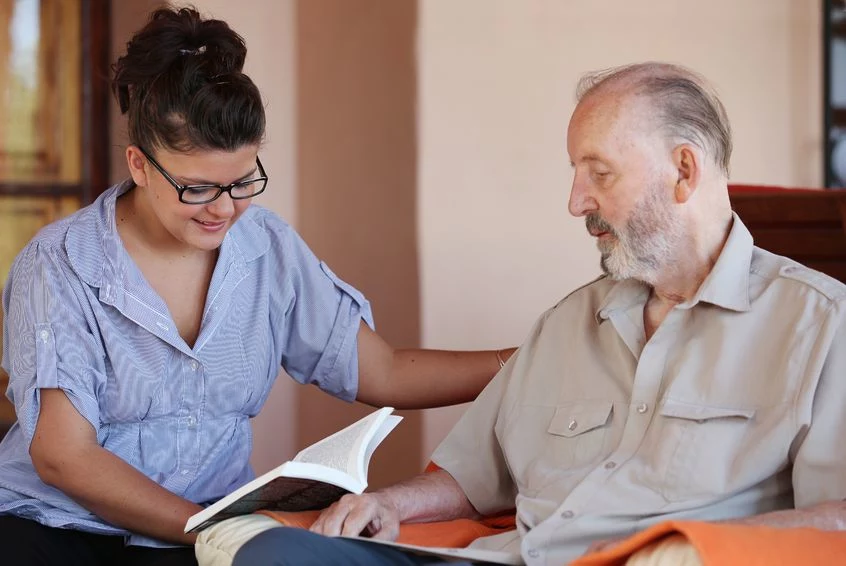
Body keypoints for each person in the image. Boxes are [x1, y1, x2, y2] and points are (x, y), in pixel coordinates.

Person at [230, 62, 846, 566]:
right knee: (274, 551)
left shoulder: (819, 328)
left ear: (684, 172)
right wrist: (392, 504)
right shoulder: (566, 325)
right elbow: (473, 476)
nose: (576, 202)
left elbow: (835, 518)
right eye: (575, 173)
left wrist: (694, 550)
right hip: (507, 558)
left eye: (598, 173)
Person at [0, 7, 515, 566]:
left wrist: (527, 360)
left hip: (202, 528)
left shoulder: (266, 247)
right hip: (58, 528)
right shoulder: (61, 263)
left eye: (242, 181)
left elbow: (383, 371)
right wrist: (207, 532)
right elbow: (63, 456)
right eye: (197, 188)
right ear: (140, 165)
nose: (224, 209)